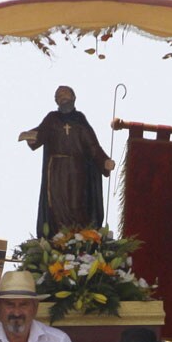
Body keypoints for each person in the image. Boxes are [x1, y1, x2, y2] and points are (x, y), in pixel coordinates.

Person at [19, 85, 115, 238]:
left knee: (77, 204)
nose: (62, 97)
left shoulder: (80, 120)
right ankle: (58, 238)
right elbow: (40, 133)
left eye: (65, 94)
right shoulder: (52, 118)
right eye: (59, 95)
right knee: (56, 206)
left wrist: (104, 161)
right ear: (56, 101)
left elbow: (92, 146)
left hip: (78, 171)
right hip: (56, 171)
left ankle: (79, 239)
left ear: (73, 97)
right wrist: (29, 136)